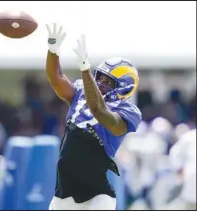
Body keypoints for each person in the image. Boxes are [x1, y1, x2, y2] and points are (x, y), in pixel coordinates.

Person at [45, 23, 142, 210]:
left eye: (108, 81)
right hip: (62, 195)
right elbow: (55, 77)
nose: (100, 83)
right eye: (99, 77)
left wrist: (85, 69)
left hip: (96, 199)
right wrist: (53, 49)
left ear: (124, 88)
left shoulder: (128, 112)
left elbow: (100, 111)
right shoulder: (81, 92)